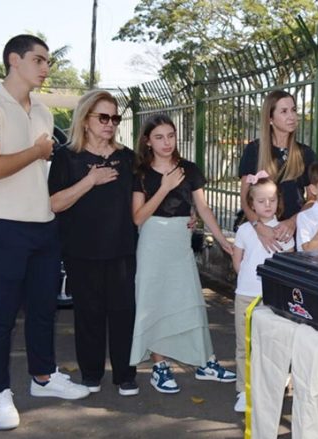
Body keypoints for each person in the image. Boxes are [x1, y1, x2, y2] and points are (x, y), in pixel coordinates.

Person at [0, 34, 89, 431]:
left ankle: (44, 378)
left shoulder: (44, 111)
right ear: (13, 60)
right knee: (0, 315)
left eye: (48, 61)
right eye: (38, 60)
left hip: (42, 226)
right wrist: (37, 151)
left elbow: (39, 173)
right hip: (1, 227)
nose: (46, 67)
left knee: (43, 310)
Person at [129, 114, 236, 394]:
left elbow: (202, 208)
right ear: (147, 141)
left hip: (179, 240)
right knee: (153, 300)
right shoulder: (140, 173)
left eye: (171, 135)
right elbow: (138, 218)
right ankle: (159, 366)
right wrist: (164, 187)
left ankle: (204, 361)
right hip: (152, 240)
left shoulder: (189, 169)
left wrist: (223, 241)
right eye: (159, 137)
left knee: (189, 299)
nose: (167, 142)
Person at [47, 90, 138, 397]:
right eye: (103, 117)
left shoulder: (127, 158)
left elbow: (142, 201)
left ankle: (125, 374)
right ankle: (91, 374)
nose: (110, 124)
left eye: (114, 118)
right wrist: (90, 181)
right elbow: (55, 203)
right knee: (88, 314)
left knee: (124, 313)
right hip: (81, 250)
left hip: (123, 248)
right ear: (85, 120)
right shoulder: (65, 156)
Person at [231, 174, 295, 412]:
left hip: (273, 299)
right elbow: (237, 262)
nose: (267, 205)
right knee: (244, 345)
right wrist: (247, 280)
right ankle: (243, 390)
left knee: (272, 345)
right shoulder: (246, 230)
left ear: (278, 201)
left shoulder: (284, 232)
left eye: (271, 200)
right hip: (246, 295)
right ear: (252, 204)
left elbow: (289, 266)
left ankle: (272, 389)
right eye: (261, 201)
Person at [238, 90, 316, 252]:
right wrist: (258, 227)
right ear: (270, 118)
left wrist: (293, 222)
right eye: (284, 111)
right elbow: (245, 199)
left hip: (291, 235)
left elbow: (312, 198)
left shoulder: (305, 153)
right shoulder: (254, 150)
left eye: (294, 110)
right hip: (259, 233)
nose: (292, 116)